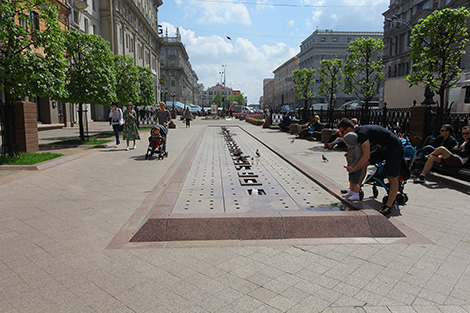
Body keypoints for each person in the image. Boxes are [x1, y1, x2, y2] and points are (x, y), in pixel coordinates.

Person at [337, 118, 404, 215]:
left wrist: (354, 169)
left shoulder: (362, 134)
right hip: (382, 149)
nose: (342, 135)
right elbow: (360, 153)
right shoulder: (357, 134)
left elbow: (366, 155)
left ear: (348, 129)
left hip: (394, 149)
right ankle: (356, 190)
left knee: (392, 177)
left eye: (342, 132)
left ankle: (388, 206)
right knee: (363, 164)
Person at [341, 132, 362, 201]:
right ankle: (351, 191)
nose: (346, 145)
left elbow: (358, 159)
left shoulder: (356, 149)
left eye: (347, 143)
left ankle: (356, 194)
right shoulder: (351, 148)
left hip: (355, 167)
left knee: (355, 182)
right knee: (351, 180)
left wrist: (352, 166)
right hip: (350, 167)